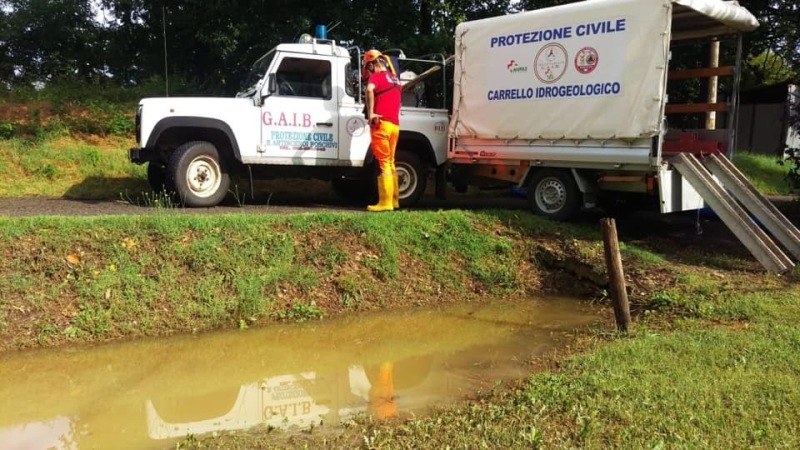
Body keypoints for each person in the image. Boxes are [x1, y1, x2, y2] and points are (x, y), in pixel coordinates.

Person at [362, 49, 401, 211]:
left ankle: (385, 203)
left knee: (384, 163)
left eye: (368, 67)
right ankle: (394, 201)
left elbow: (369, 89)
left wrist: (371, 112)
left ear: (372, 65)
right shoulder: (395, 79)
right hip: (395, 126)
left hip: (381, 124)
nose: (368, 71)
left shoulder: (376, 77)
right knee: (391, 162)